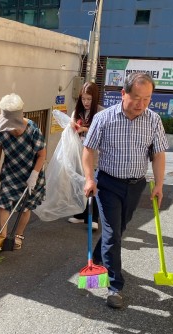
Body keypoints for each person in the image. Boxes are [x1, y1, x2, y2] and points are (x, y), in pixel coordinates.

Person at [82, 72, 168, 309]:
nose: (142, 104)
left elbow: (158, 154)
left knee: (118, 229)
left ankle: (98, 258)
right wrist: (89, 179)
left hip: (136, 184)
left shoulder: (153, 120)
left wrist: (159, 184)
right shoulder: (104, 118)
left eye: (147, 99)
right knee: (112, 233)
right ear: (123, 94)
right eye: (137, 98)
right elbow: (88, 150)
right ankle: (115, 286)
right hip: (108, 183)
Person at [0, 93, 46, 249]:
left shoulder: (33, 130)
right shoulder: (0, 129)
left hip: (31, 173)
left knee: (24, 207)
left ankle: (18, 235)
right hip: (10, 171)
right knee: (4, 203)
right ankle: (1, 237)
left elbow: (42, 154)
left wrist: (34, 175)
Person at [67, 81, 103, 230]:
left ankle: (93, 218)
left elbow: (103, 135)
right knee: (80, 184)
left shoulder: (101, 112)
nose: (86, 102)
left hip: (94, 157)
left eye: (89, 99)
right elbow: (70, 131)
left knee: (92, 184)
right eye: (84, 98)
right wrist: (72, 127)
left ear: (95, 98)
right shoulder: (77, 112)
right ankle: (81, 214)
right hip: (78, 154)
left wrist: (84, 129)